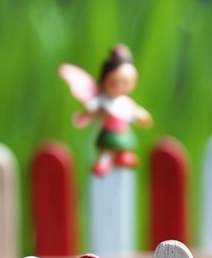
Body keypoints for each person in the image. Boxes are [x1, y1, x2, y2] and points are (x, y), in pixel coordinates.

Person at [59, 44, 153, 175]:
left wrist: (142, 116)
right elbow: (92, 109)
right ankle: (104, 161)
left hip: (123, 130)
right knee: (107, 150)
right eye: (115, 82)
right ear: (104, 81)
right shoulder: (103, 100)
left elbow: (134, 111)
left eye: (126, 83)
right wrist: (85, 115)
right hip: (109, 131)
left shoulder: (125, 102)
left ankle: (123, 155)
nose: (120, 87)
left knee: (124, 146)